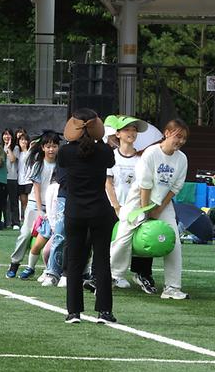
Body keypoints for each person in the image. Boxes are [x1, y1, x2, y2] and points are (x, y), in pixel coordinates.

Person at [109, 119, 190, 300]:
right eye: (178, 136)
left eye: (184, 139)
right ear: (167, 133)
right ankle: (112, 276)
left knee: (174, 243)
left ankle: (172, 288)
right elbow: (145, 184)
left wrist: (159, 209)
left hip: (163, 203)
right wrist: (146, 211)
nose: (180, 141)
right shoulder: (151, 153)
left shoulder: (182, 159)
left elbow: (175, 187)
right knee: (123, 237)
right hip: (139, 200)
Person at [57, 108, 117, 324]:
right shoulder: (105, 152)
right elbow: (109, 162)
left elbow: (65, 167)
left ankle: (73, 312)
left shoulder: (65, 152)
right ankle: (104, 311)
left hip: (75, 212)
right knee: (102, 261)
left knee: (74, 261)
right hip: (100, 210)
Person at [103, 115, 155, 293]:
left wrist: (143, 207)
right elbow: (108, 182)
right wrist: (116, 206)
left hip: (135, 208)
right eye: (127, 129)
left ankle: (142, 274)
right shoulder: (111, 156)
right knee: (112, 242)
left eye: (134, 130)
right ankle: (108, 275)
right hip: (113, 207)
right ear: (117, 133)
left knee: (143, 241)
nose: (131, 133)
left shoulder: (142, 159)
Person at [7, 131, 59, 277]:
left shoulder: (60, 166)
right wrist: (41, 211)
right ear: (42, 147)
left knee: (53, 237)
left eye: (54, 146)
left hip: (53, 207)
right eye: (48, 146)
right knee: (25, 234)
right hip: (35, 205)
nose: (51, 149)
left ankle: (46, 270)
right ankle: (14, 264)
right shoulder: (38, 164)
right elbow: (36, 188)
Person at [2, 128, 22, 230]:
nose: (6, 136)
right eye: (5, 134)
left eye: (9, 135)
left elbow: (13, 159)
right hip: (2, 178)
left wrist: (9, 148)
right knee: (3, 201)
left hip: (12, 178)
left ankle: (16, 222)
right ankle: (7, 222)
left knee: (13, 201)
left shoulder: (16, 148)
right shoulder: (0, 147)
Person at [16, 133, 32, 221]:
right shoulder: (17, 153)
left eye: (25, 139)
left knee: (30, 202)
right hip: (20, 181)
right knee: (23, 202)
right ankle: (26, 220)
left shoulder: (30, 152)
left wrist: (28, 148)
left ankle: (31, 220)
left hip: (29, 181)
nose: (23, 141)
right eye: (21, 139)